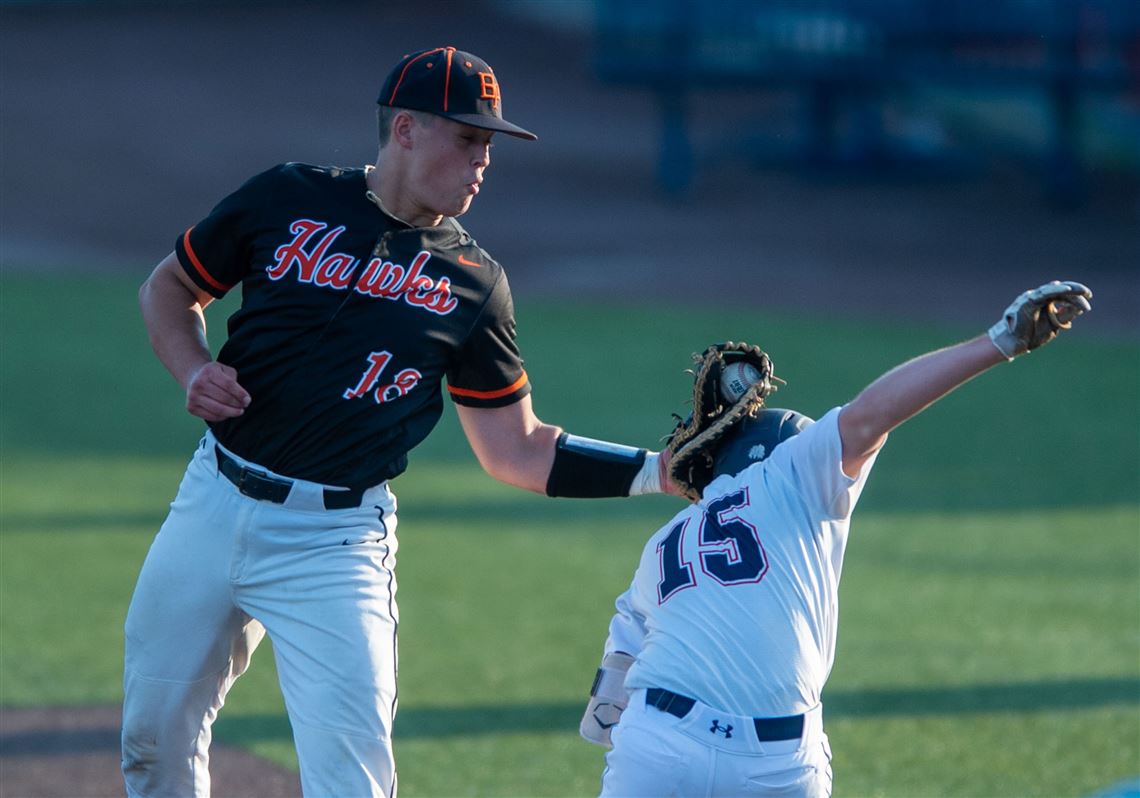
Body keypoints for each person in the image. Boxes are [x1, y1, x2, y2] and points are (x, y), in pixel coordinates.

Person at [123, 46, 670, 798]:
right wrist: (192, 367)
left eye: (489, 145)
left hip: (334, 543)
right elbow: (171, 286)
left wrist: (660, 471)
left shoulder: (474, 285)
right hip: (210, 503)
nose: (484, 160)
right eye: (469, 138)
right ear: (407, 129)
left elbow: (519, 450)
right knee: (152, 746)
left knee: (353, 784)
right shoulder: (285, 198)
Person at [579, 281, 1093, 797]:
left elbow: (605, 714)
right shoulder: (791, 472)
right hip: (775, 764)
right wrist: (1000, 341)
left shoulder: (665, 543)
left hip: (660, 743)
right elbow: (873, 413)